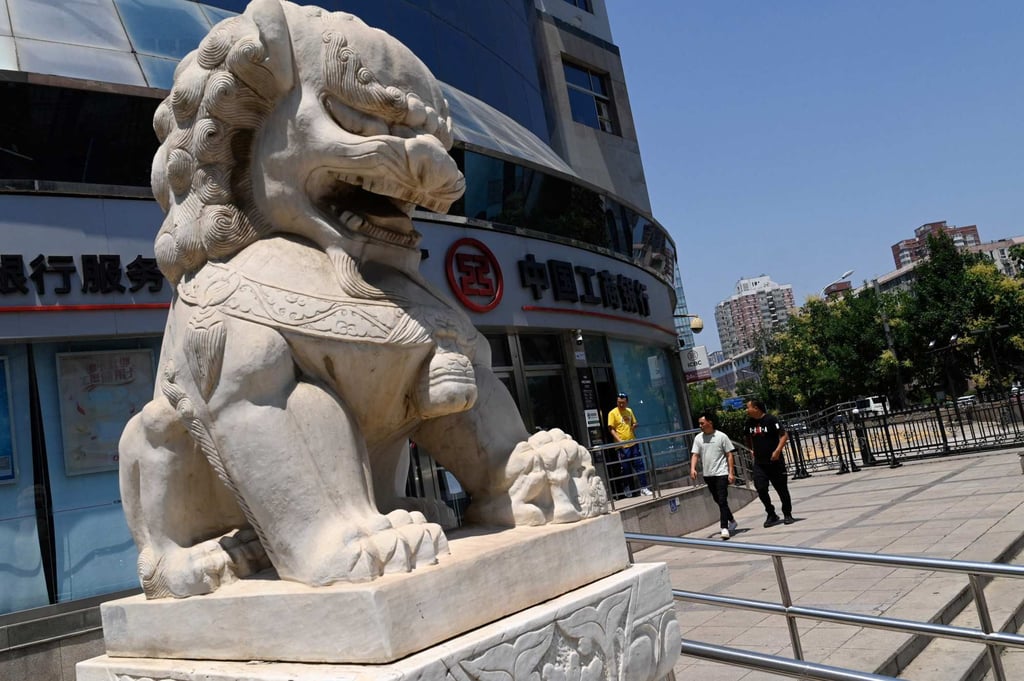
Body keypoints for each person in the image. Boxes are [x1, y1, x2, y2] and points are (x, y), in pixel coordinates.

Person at [744, 399, 794, 527]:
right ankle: (771, 513)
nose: (746, 410)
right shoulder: (749, 423)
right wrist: (751, 449)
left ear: (756, 408)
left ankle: (787, 513)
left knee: (782, 489)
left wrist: (777, 451)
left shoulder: (771, 420)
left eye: (748, 407)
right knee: (760, 488)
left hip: (775, 462)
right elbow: (747, 438)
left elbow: (784, 436)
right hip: (759, 463)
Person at [690, 411, 738, 539]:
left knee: (722, 499)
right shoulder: (698, 438)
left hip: (721, 473)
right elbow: (695, 454)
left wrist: (731, 473)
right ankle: (732, 520)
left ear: (710, 422)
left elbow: (729, 455)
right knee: (718, 500)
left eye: (702, 423)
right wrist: (693, 468)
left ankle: (724, 527)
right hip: (708, 474)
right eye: (699, 424)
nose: (700, 426)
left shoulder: (721, 436)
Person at [607, 392, 652, 497]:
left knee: (639, 465)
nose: (621, 405)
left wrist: (634, 425)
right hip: (622, 446)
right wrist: (619, 441)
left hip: (633, 442)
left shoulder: (629, 411)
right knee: (625, 468)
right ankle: (626, 487)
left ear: (627, 402)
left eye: (623, 403)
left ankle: (644, 488)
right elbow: (611, 429)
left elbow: (634, 423)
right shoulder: (612, 413)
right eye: (619, 402)